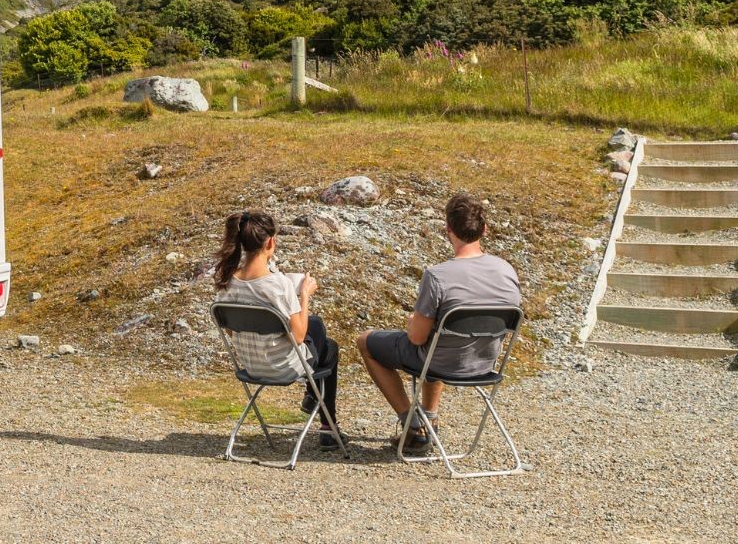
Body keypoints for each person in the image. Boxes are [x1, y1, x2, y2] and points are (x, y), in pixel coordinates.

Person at [356, 192, 521, 453]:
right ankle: (430, 418)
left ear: (448, 229)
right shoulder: (507, 271)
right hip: (485, 364)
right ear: (485, 229)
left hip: (441, 363)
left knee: (366, 341)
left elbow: (417, 339)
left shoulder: (438, 276)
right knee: (440, 338)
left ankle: (413, 426)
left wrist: (414, 322)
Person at [212, 209, 341, 449]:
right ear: (271, 241)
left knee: (316, 325)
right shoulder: (278, 286)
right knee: (328, 346)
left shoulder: (227, 281)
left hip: (251, 365)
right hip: (282, 367)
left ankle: (316, 402)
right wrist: (304, 295)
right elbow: (299, 336)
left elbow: (232, 331)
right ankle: (327, 426)